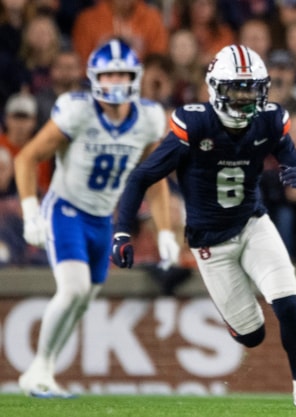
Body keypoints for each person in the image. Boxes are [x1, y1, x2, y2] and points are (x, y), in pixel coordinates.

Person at [110, 44, 296, 408]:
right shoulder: (195, 124)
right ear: (215, 88)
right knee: (252, 336)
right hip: (211, 242)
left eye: (250, 88)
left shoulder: (270, 120)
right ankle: (237, 323)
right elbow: (142, 176)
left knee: (287, 302)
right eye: (236, 88)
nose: (244, 98)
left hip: (253, 224)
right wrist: (121, 231)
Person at [14, 39, 180, 398]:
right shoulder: (78, 111)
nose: (117, 81)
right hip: (66, 209)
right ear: (94, 78)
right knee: (72, 289)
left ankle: (44, 370)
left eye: (123, 73)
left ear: (136, 77)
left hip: (104, 217)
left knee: (85, 299)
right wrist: (30, 211)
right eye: (109, 74)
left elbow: (154, 177)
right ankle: (38, 369)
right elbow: (27, 157)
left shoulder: (149, 117)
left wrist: (165, 229)